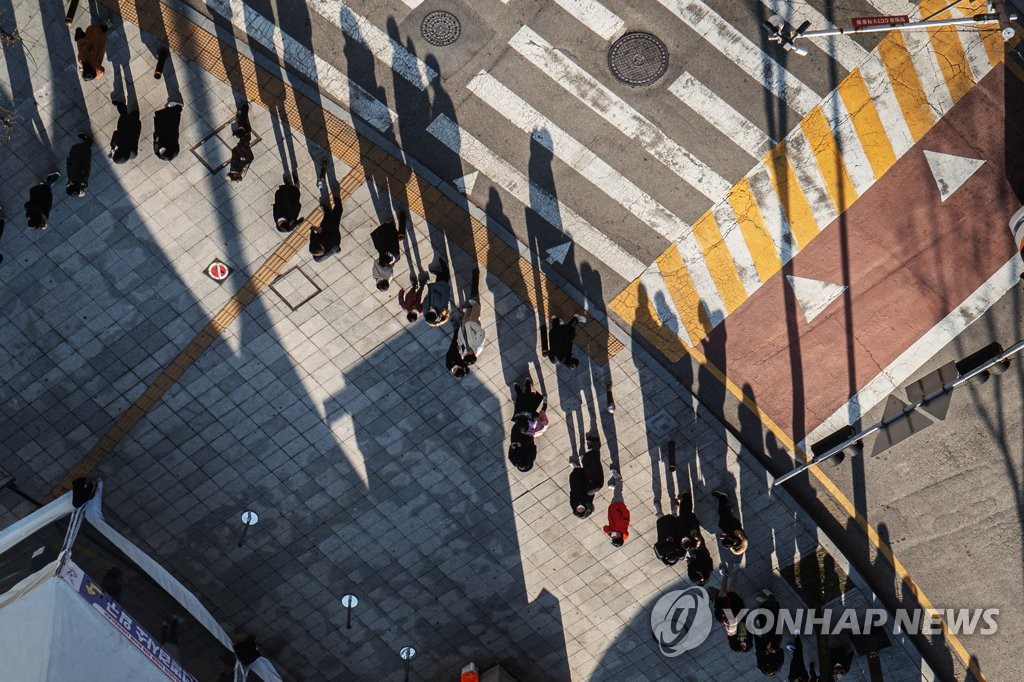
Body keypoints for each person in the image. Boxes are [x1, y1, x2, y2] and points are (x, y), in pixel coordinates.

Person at [677, 492, 712, 585]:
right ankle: (686, 499)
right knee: (690, 527)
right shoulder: (704, 572)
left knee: (689, 527)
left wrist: (690, 560)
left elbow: (690, 565)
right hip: (700, 551)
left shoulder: (693, 576)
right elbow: (707, 559)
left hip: (698, 552)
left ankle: (685, 504)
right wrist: (692, 559)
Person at [458, 267, 485, 366]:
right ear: (473, 354)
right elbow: (481, 332)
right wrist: (473, 324)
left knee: (466, 315)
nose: (467, 352)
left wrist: (460, 334)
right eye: (469, 353)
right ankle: (475, 274)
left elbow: (460, 345)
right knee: (474, 298)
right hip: (473, 324)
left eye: (466, 354)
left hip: (464, 328)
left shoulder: (463, 354)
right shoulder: (478, 346)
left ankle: (469, 310)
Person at [370, 213, 404, 291]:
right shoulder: (378, 276)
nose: (379, 280)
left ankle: (396, 228)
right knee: (385, 240)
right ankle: (390, 226)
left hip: (393, 256)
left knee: (393, 240)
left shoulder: (388, 277)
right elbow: (377, 263)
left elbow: (391, 269)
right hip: (389, 255)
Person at [754, 593, 785, 676]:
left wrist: (765, 651)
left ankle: (766, 602)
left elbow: (758, 652)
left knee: (765, 620)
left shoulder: (762, 665)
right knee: (775, 618)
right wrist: (775, 650)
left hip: (766, 638)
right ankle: (771, 599)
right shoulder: (777, 665)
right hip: (775, 639)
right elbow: (781, 653)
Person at [713, 490, 748, 557]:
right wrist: (726, 533)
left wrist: (725, 534)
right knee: (724, 510)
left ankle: (725, 503)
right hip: (729, 521)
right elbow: (734, 527)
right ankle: (723, 497)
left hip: (727, 523)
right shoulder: (737, 534)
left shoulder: (734, 541)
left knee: (722, 511)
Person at [714, 588, 751, 653]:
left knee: (728, 594)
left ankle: (724, 591)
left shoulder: (735, 635)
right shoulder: (742, 638)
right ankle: (724, 591)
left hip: (734, 616)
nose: (744, 645)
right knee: (729, 594)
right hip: (736, 616)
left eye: (743, 646)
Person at [310, 191, 342, 260]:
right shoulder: (334, 245)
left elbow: (312, 239)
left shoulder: (314, 249)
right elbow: (335, 231)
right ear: (323, 248)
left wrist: (313, 230)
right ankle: (337, 203)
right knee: (337, 214)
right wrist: (325, 230)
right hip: (332, 234)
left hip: (323, 233)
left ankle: (327, 211)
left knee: (326, 219)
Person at [227, 102, 253, 182]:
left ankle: (244, 109)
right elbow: (235, 151)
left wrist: (243, 147)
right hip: (243, 143)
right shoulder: (234, 167)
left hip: (243, 141)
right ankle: (241, 112)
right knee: (243, 126)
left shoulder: (237, 166)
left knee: (244, 125)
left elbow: (248, 158)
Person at [109, 98, 141, 164]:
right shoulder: (120, 143)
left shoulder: (133, 154)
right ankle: (121, 104)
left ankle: (134, 111)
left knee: (135, 115)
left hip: (135, 128)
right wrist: (113, 146)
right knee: (124, 114)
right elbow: (115, 133)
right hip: (125, 125)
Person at [423, 258, 452, 327]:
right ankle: (444, 267)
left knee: (439, 278)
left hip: (433, 288)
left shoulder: (426, 313)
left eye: (430, 310)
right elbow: (445, 291)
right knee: (445, 274)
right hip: (441, 285)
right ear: (436, 314)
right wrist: (434, 285)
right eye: (433, 311)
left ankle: (439, 273)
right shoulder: (442, 306)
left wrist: (431, 288)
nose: (431, 309)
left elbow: (425, 301)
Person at [66, 133, 93, 197]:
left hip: (78, 159)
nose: (68, 184)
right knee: (83, 148)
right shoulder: (78, 177)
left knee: (84, 149)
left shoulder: (80, 182)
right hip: (79, 157)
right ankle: (89, 141)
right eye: (69, 185)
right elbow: (77, 165)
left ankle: (88, 143)